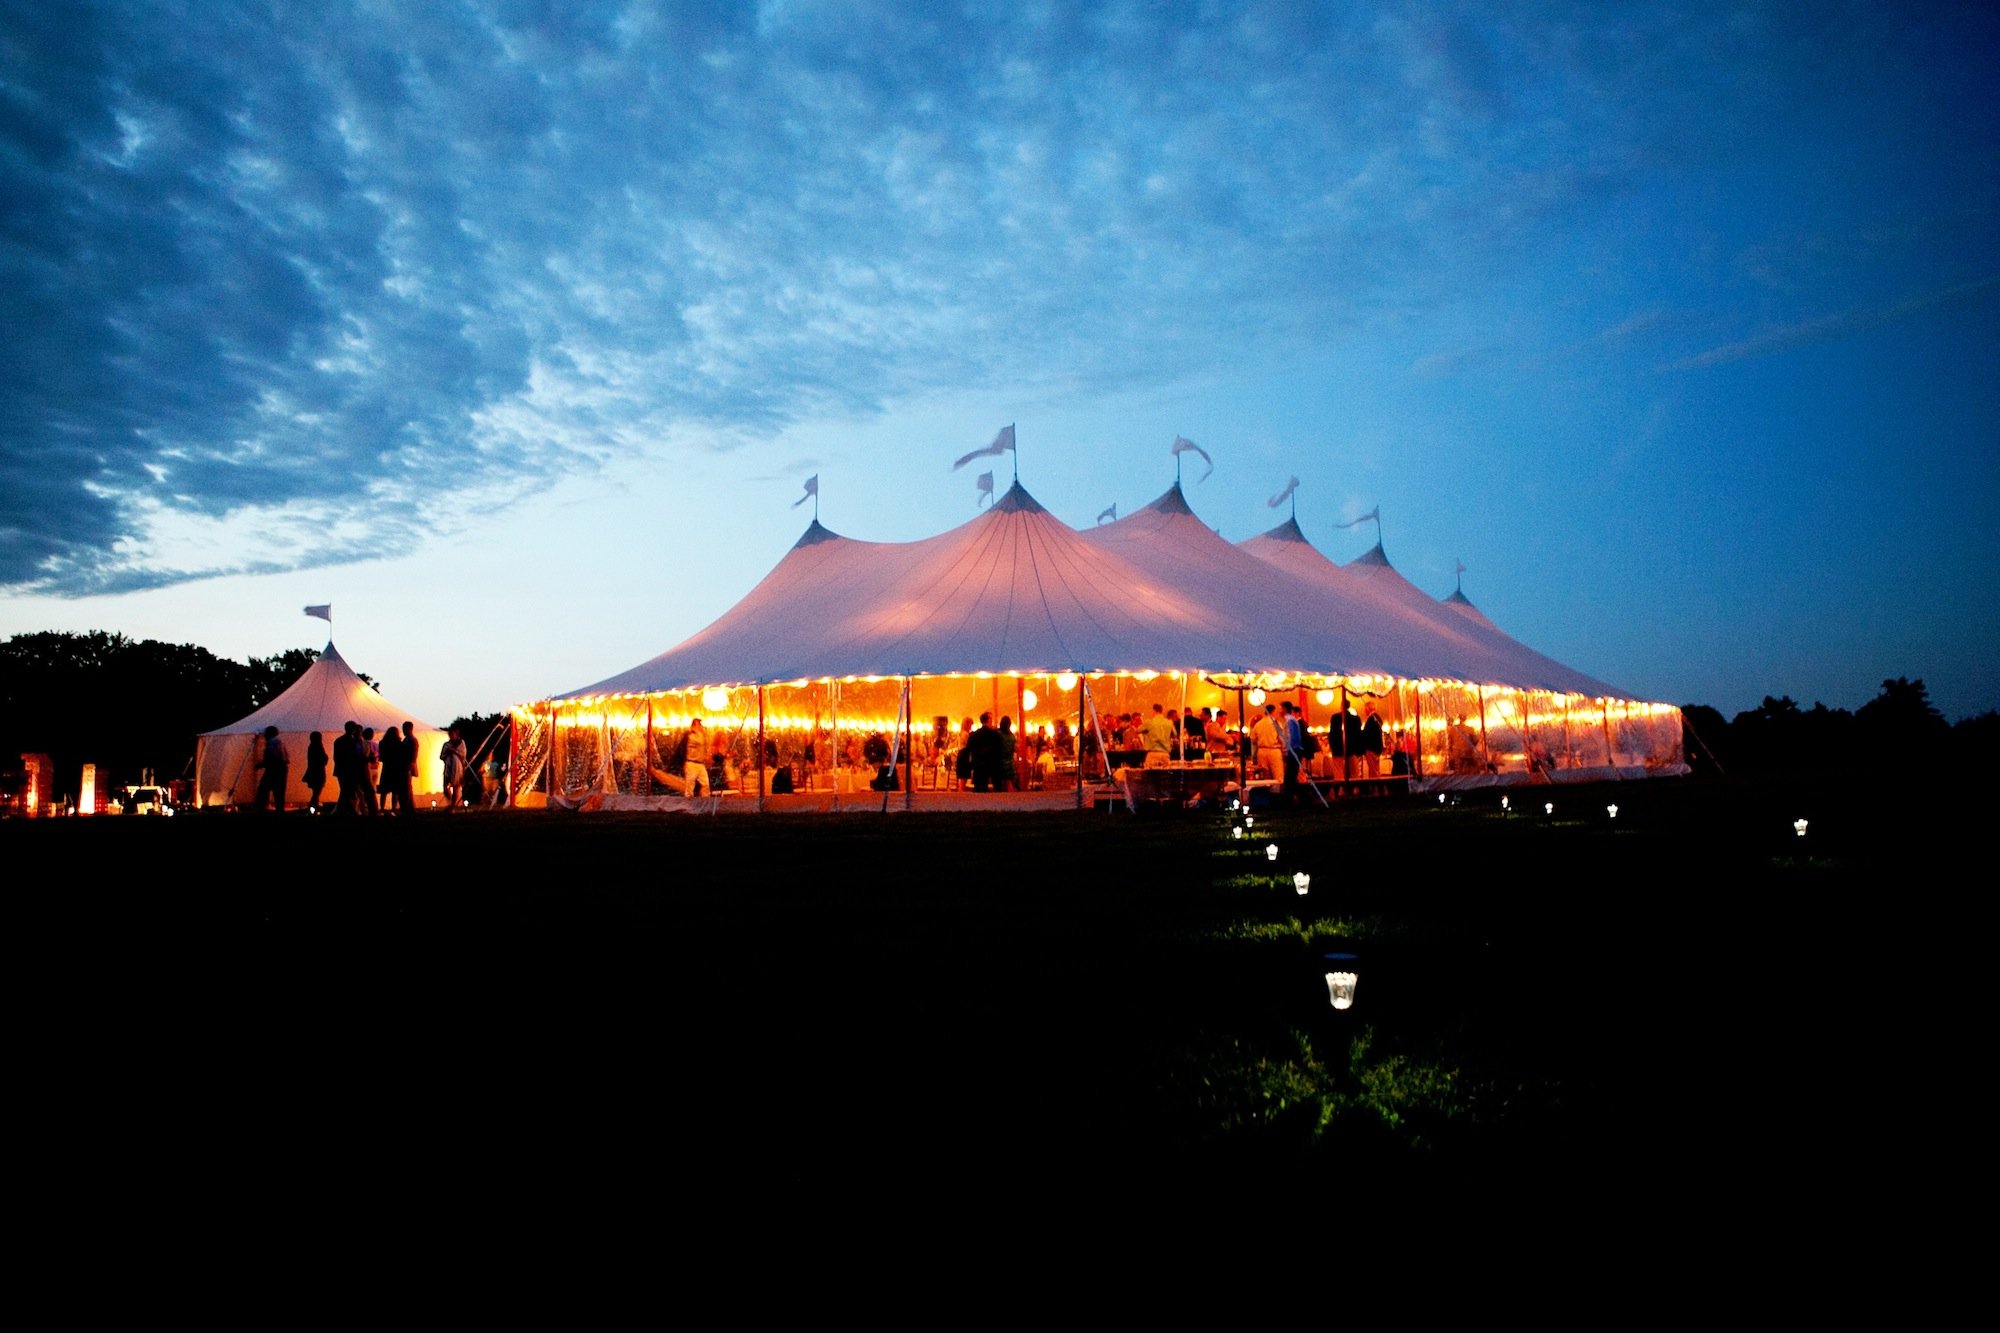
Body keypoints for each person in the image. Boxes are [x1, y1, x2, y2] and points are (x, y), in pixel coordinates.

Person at [252, 725, 288, 812]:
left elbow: (271, 757)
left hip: (274, 770)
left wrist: (260, 765)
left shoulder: (272, 743)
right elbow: (286, 758)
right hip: (281, 770)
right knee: (279, 792)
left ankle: (261, 808)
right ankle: (280, 810)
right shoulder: (280, 742)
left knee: (263, 789)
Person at [332, 721, 362, 814]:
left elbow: (335, 757)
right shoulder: (353, 742)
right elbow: (356, 756)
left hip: (340, 770)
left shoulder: (338, 741)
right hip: (350, 771)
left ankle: (342, 810)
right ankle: (346, 810)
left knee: (344, 790)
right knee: (347, 791)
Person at [1251, 704, 1283, 782]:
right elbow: (1282, 738)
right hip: (1274, 750)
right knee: (1278, 775)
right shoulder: (1276, 723)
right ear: (1273, 712)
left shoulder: (1258, 724)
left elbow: (1253, 739)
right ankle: (1276, 789)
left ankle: (1265, 789)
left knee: (1264, 774)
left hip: (1261, 751)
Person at [376, 722, 403, 814]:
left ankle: (382, 809)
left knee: (384, 791)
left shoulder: (382, 743)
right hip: (396, 768)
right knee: (395, 791)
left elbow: (381, 757)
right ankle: (393, 809)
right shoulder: (399, 743)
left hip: (386, 768)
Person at [1140, 703, 1175, 768]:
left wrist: (1146, 732)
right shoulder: (1169, 722)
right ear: (1161, 711)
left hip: (1152, 754)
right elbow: (1175, 734)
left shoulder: (1149, 722)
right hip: (1165, 754)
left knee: (1150, 773)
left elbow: (1137, 730)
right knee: (1165, 773)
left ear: (1154, 710)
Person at [440, 727, 468, 808]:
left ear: (456, 734)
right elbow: (442, 756)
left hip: (457, 768)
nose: (451, 735)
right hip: (448, 768)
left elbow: (463, 755)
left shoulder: (461, 743)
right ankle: (451, 802)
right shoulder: (446, 745)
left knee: (456, 787)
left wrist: (454, 751)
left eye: (452, 734)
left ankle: (453, 806)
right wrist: (448, 752)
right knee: (446, 788)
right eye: (450, 734)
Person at [684, 718, 711, 798]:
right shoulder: (691, 736)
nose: (700, 727)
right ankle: (688, 802)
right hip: (692, 763)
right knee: (690, 785)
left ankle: (705, 800)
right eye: (698, 725)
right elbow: (700, 742)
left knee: (705, 784)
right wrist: (698, 732)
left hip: (700, 764)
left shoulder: (700, 735)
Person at [395, 722, 419, 811]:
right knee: (406, 788)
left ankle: (407, 808)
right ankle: (409, 807)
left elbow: (413, 756)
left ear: (409, 729)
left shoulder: (412, 740)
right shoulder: (407, 739)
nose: (403, 730)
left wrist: (409, 765)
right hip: (405, 766)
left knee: (406, 788)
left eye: (404, 728)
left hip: (407, 767)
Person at [303, 731, 329, 812]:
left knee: (316, 792)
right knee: (317, 792)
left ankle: (313, 808)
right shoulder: (318, 746)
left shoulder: (311, 746)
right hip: (318, 773)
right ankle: (313, 807)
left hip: (313, 772)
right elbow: (323, 759)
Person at [360, 726, 382, 814]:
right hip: (376, 768)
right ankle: (374, 806)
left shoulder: (363, 744)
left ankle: (365, 808)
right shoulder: (376, 744)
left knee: (364, 790)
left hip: (367, 769)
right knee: (373, 788)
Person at [1360, 705, 1385, 779]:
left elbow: (1367, 734)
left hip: (1372, 748)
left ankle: (1375, 785)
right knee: (1375, 769)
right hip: (1376, 748)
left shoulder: (1371, 719)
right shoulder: (1377, 718)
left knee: (1373, 771)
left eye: (1365, 709)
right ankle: (1375, 784)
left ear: (1368, 709)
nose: (1364, 711)